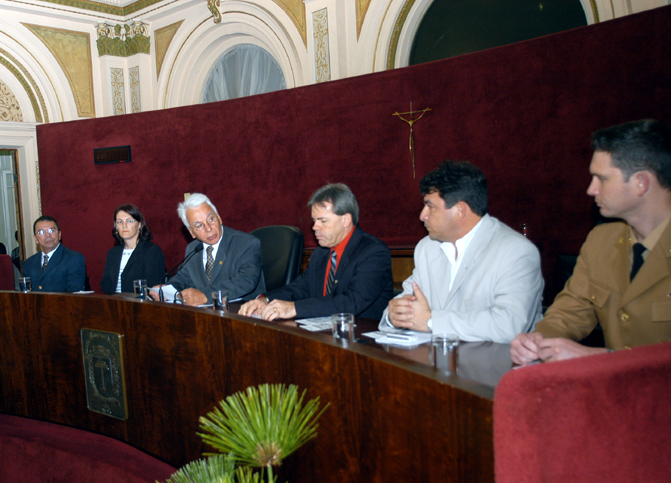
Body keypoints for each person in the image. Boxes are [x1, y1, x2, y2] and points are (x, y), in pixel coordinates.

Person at [511, 119, 671, 363]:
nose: (591, 189)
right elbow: (570, 312)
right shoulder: (601, 240)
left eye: (602, 179)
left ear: (641, 183)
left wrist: (602, 358)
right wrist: (536, 340)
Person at [378, 160, 544, 343]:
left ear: (460, 211)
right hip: (436, 364)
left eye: (430, 206)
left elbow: (508, 324)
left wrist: (431, 321)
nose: (422, 215)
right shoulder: (427, 247)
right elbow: (408, 300)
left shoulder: (515, 251)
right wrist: (395, 315)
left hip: (498, 367)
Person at [239, 183, 393, 320]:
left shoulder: (373, 252)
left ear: (346, 219)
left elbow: (350, 301)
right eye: (314, 220)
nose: (314, 227)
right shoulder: (322, 253)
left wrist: (293, 308)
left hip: (363, 339)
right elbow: (301, 288)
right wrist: (265, 300)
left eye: (323, 221)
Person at [155, 193, 265, 305]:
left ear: (219, 217)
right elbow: (183, 279)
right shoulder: (193, 249)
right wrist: (165, 290)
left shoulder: (246, 243)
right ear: (191, 232)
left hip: (243, 312)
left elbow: (245, 281)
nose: (208, 228)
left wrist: (205, 295)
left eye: (211, 219)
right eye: (199, 225)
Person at [101, 204, 165, 294]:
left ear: (139, 225)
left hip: (140, 305)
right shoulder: (112, 253)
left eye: (129, 221)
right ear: (116, 227)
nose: (124, 225)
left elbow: (153, 287)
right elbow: (105, 285)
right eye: (119, 222)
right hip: (113, 304)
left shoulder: (152, 251)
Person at [21, 216, 86, 292]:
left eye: (51, 231)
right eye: (41, 232)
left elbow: (74, 295)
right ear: (36, 239)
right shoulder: (30, 262)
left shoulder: (74, 259)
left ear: (59, 235)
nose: (48, 235)